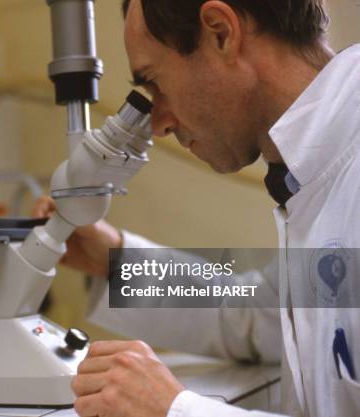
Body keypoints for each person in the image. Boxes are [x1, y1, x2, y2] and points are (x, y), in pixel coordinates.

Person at [33, 0, 360, 416]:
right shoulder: (316, 174)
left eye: (155, 82)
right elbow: (257, 313)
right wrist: (114, 262)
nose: (158, 123)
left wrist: (176, 409)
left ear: (221, 32)